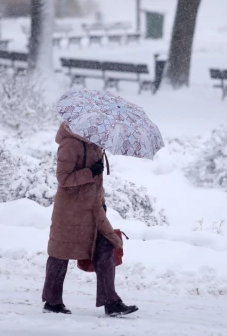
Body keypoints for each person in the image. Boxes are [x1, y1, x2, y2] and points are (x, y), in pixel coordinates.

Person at [42, 121, 138, 317]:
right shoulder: (69, 144)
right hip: (70, 210)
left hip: (93, 209)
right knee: (61, 254)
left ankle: (111, 302)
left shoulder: (95, 145)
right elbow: (64, 179)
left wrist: (101, 200)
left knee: (107, 246)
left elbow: (96, 181)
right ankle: (52, 302)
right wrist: (90, 172)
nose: (98, 129)